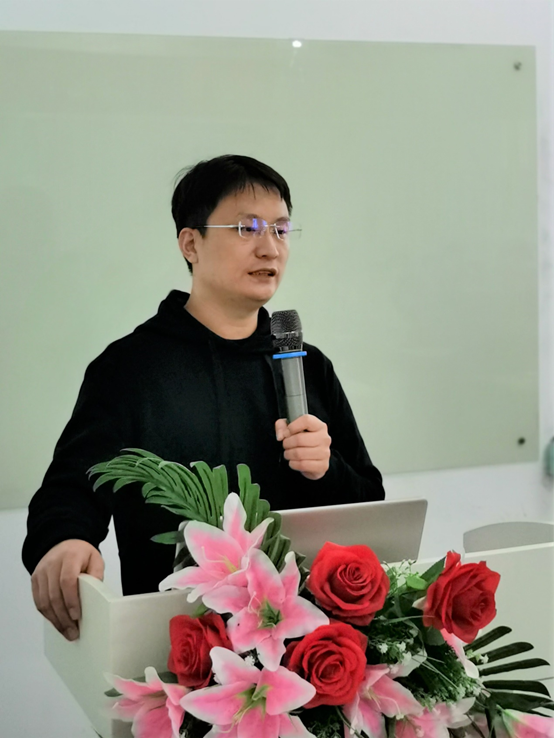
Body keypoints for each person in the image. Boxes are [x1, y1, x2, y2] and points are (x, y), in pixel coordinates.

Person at [22, 154, 385, 643]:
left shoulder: (307, 365)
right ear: (191, 243)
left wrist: (327, 470)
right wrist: (65, 539)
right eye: (247, 228)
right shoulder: (130, 367)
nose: (270, 248)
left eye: (281, 230)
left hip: (309, 647)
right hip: (177, 647)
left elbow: (372, 506)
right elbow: (70, 489)